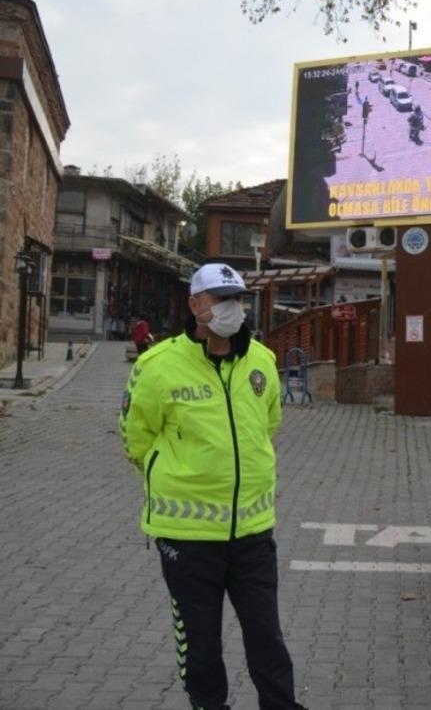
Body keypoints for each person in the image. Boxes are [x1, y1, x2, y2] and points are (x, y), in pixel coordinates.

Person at [120, 263, 306, 710]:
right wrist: (178, 471)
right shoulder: (157, 365)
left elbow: (269, 424)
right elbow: (135, 437)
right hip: (187, 539)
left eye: (237, 299)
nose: (231, 308)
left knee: (267, 638)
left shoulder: (261, 360)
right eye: (220, 299)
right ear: (195, 305)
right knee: (201, 647)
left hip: (253, 532)